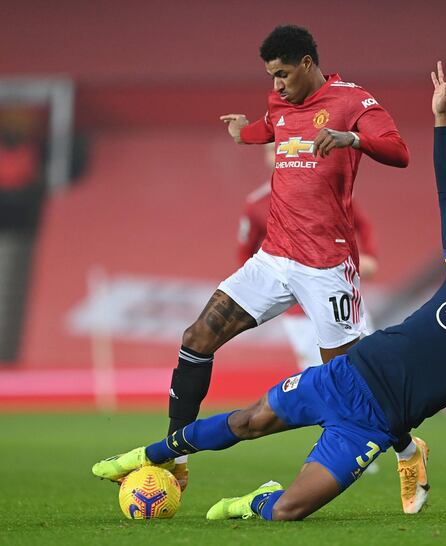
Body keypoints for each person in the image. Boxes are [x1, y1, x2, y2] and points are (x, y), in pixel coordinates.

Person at [95, 61, 446, 522]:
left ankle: (254, 501)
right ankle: (145, 454)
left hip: (372, 424)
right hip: (343, 375)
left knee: (288, 512)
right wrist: (442, 119)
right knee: (247, 421)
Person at [166, 24, 420, 507]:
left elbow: (400, 152)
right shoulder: (280, 103)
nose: (277, 85)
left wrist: (351, 139)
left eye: (283, 74)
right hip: (274, 257)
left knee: (349, 387)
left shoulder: (353, 100)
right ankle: (177, 457)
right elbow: (271, 126)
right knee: (196, 339)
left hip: (327, 266)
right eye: (271, 77)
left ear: (307, 62)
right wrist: (244, 133)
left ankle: (408, 448)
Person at [237, 145, 380, 370]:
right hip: (299, 312)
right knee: (318, 375)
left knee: (366, 363)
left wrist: (369, 256)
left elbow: (362, 223)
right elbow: (245, 255)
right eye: (270, 150)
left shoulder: (331, 189)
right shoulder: (257, 204)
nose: (277, 154)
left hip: (341, 294)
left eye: (281, 147)